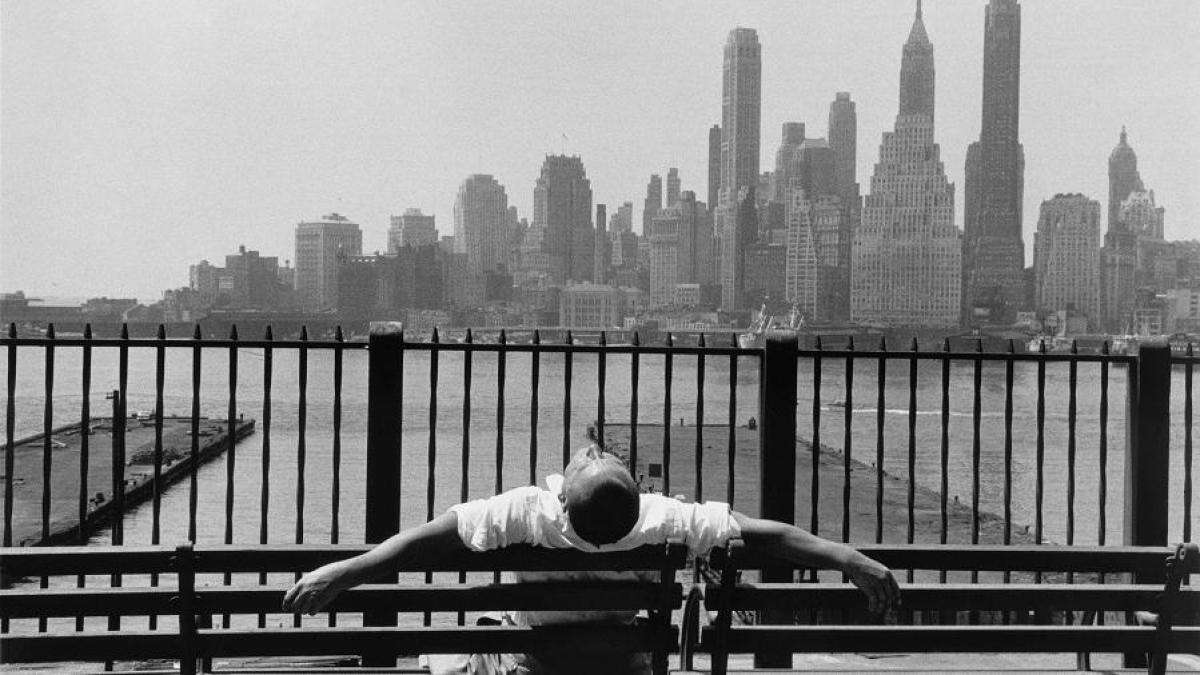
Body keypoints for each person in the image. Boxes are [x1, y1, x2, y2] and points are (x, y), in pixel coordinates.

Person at [283, 431, 900, 674]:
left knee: (444, 658)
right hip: (618, 669)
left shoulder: (528, 511)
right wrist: (848, 557)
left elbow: (425, 540)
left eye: (590, 457)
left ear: (565, 500)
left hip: (532, 669)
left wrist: (347, 569)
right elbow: (766, 535)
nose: (590, 448)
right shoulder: (657, 520)